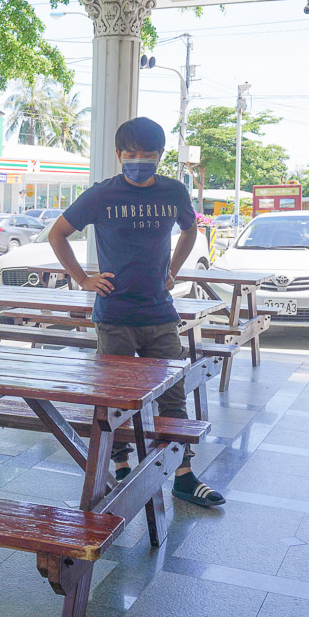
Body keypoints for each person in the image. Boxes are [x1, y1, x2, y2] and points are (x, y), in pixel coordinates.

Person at [48, 116, 226, 508]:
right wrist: (83, 279)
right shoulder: (101, 195)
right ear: (119, 155)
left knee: (173, 395)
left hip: (160, 313)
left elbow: (191, 229)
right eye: (131, 155)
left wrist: (173, 270)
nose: (138, 161)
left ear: (160, 157)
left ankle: (182, 474)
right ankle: (123, 466)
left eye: (147, 155)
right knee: (114, 400)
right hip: (114, 315)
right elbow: (57, 233)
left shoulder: (173, 191)